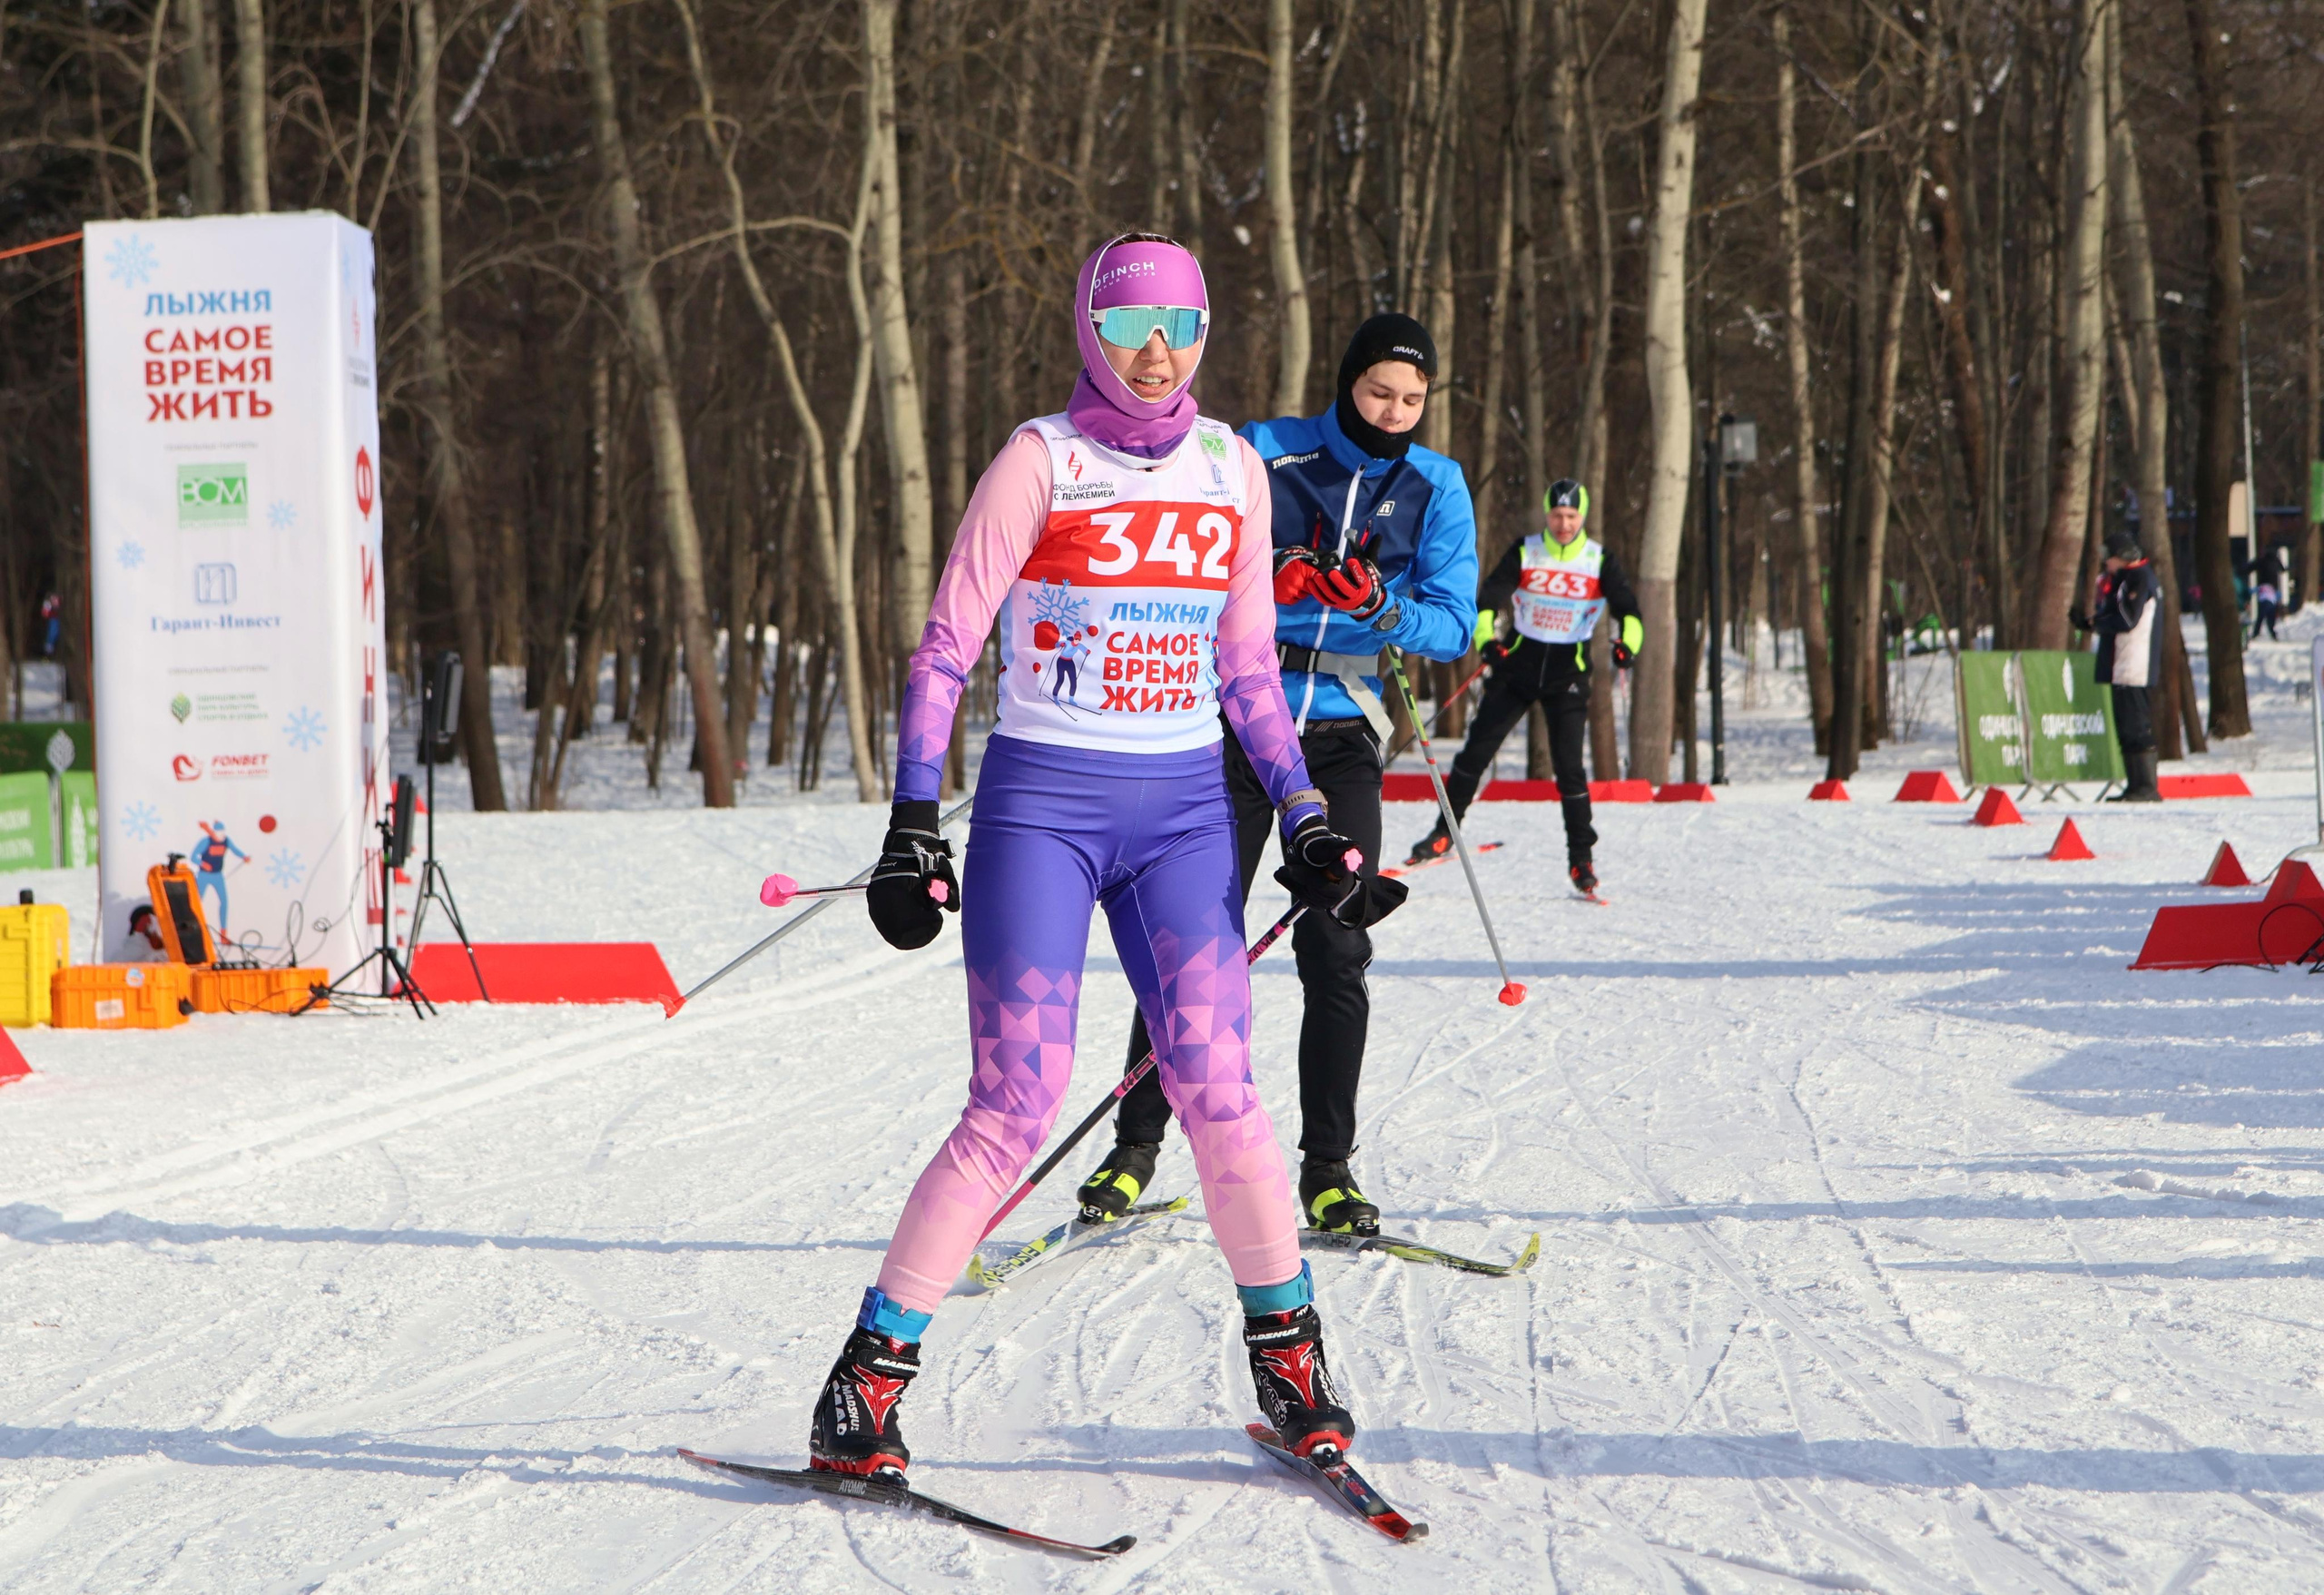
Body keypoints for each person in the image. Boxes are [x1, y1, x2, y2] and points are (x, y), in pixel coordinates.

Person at [810, 233, 1383, 1479]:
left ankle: (1291, 1365)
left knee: (1220, 1088)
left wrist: (1303, 812)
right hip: (1044, 813)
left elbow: (1248, 667)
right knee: (1014, 1101)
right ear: (1090, 331)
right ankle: (864, 1382)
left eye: (1179, 327)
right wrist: (911, 819)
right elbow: (947, 645)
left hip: (1182, 816)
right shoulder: (1042, 459)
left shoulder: (1232, 468)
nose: (1155, 351)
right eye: (1128, 328)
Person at [1076, 313, 1478, 1240]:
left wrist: (1380, 605)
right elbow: (1193, 555)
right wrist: (1271, 578)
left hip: (1341, 734)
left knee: (1336, 943)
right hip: (1232, 724)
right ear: (1347, 382)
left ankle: (1328, 1169)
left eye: (1412, 400)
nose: (1393, 412)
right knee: (1188, 940)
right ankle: (1135, 1146)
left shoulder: (1436, 483)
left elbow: (1453, 623)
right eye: (1378, 392)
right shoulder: (1263, 449)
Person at [1408, 478, 1641, 895]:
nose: (1564, 524)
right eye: (1557, 515)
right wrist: (1487, 643)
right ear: (1547, 514)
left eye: (1571, 516)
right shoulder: (1526, 550)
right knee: (1475, 752)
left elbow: (1630, 612)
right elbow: (1487, 600)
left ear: (1582, 517)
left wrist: (1628, 646)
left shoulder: (1598, 559)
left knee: (1570, 770)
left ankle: (1581, 860)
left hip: (1568, 674)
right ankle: (1444, 833)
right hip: (1518, 666)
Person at [2075, 529, 2162, 802]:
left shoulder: (2138, 577)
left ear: (2123, 556)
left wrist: (2096, 623)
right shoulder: (2127, 578)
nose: (2106, 562)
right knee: (2126, 727)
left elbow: (2126, 620)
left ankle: (2145, 786)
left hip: (2133, 664)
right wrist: (2092, 622)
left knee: (2136, 727)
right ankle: (2135, 785)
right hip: (2123, 664)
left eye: (2109, 556)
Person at [190, 820, 247, 935]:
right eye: (219, 832)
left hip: (217, 875)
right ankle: (193, 929)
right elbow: (193, 857)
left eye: (222, 831)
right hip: (204, 875)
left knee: (224, 902)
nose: (221, 834)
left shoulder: (226, 841)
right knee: (196, 902)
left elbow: (235, 850)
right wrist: (203, 864)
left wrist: (244, 857)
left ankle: (223, 933)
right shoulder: (206, 841)